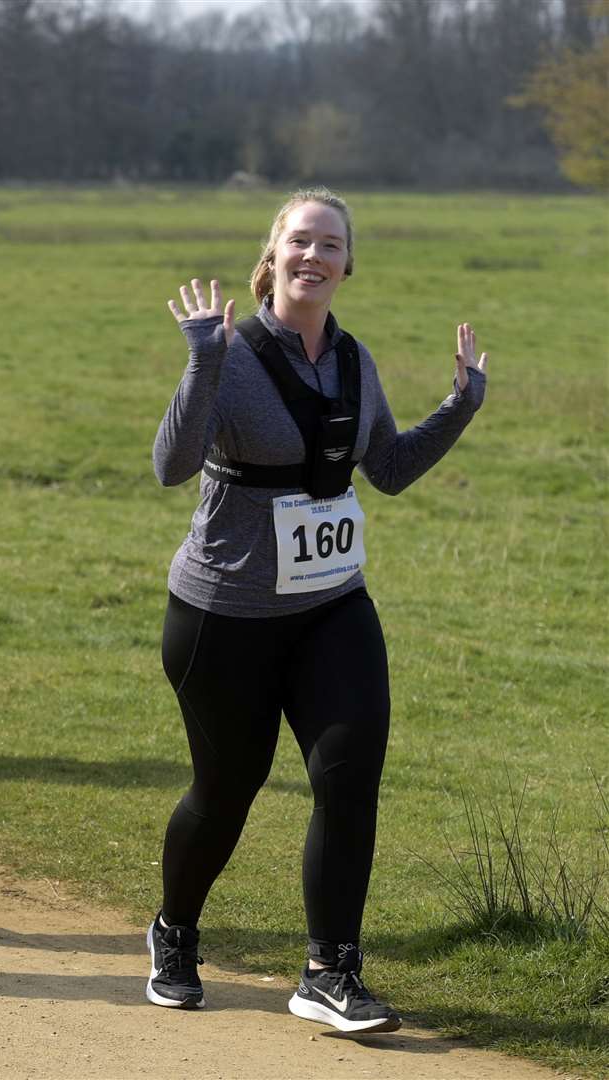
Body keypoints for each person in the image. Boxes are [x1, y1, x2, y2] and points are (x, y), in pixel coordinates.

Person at [147, 188, 488, 1032]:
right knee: (227, 790)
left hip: (332, 606)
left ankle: (330, 971)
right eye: (302, 240)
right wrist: (200, 361)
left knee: (348, 776)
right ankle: (175, 932)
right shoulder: (227, 351)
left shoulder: (353, 361)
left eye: (331, 244)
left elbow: (390, 468)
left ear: (346, 264)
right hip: (225, 611)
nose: (315, 256)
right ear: (275, 251)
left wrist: (461, 404)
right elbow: (170, 464)